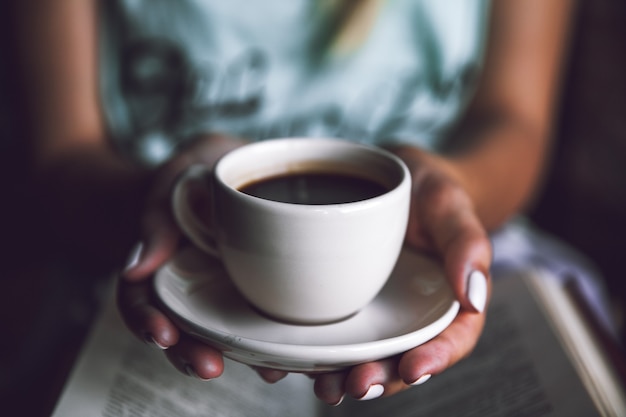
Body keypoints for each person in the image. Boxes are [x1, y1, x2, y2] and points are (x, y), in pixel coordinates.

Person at [15, 0, 608, 407]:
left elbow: (515, 123)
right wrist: (161, 195)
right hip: (149, 247)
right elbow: (64, 158)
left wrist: (453, 189)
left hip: (437, 238)